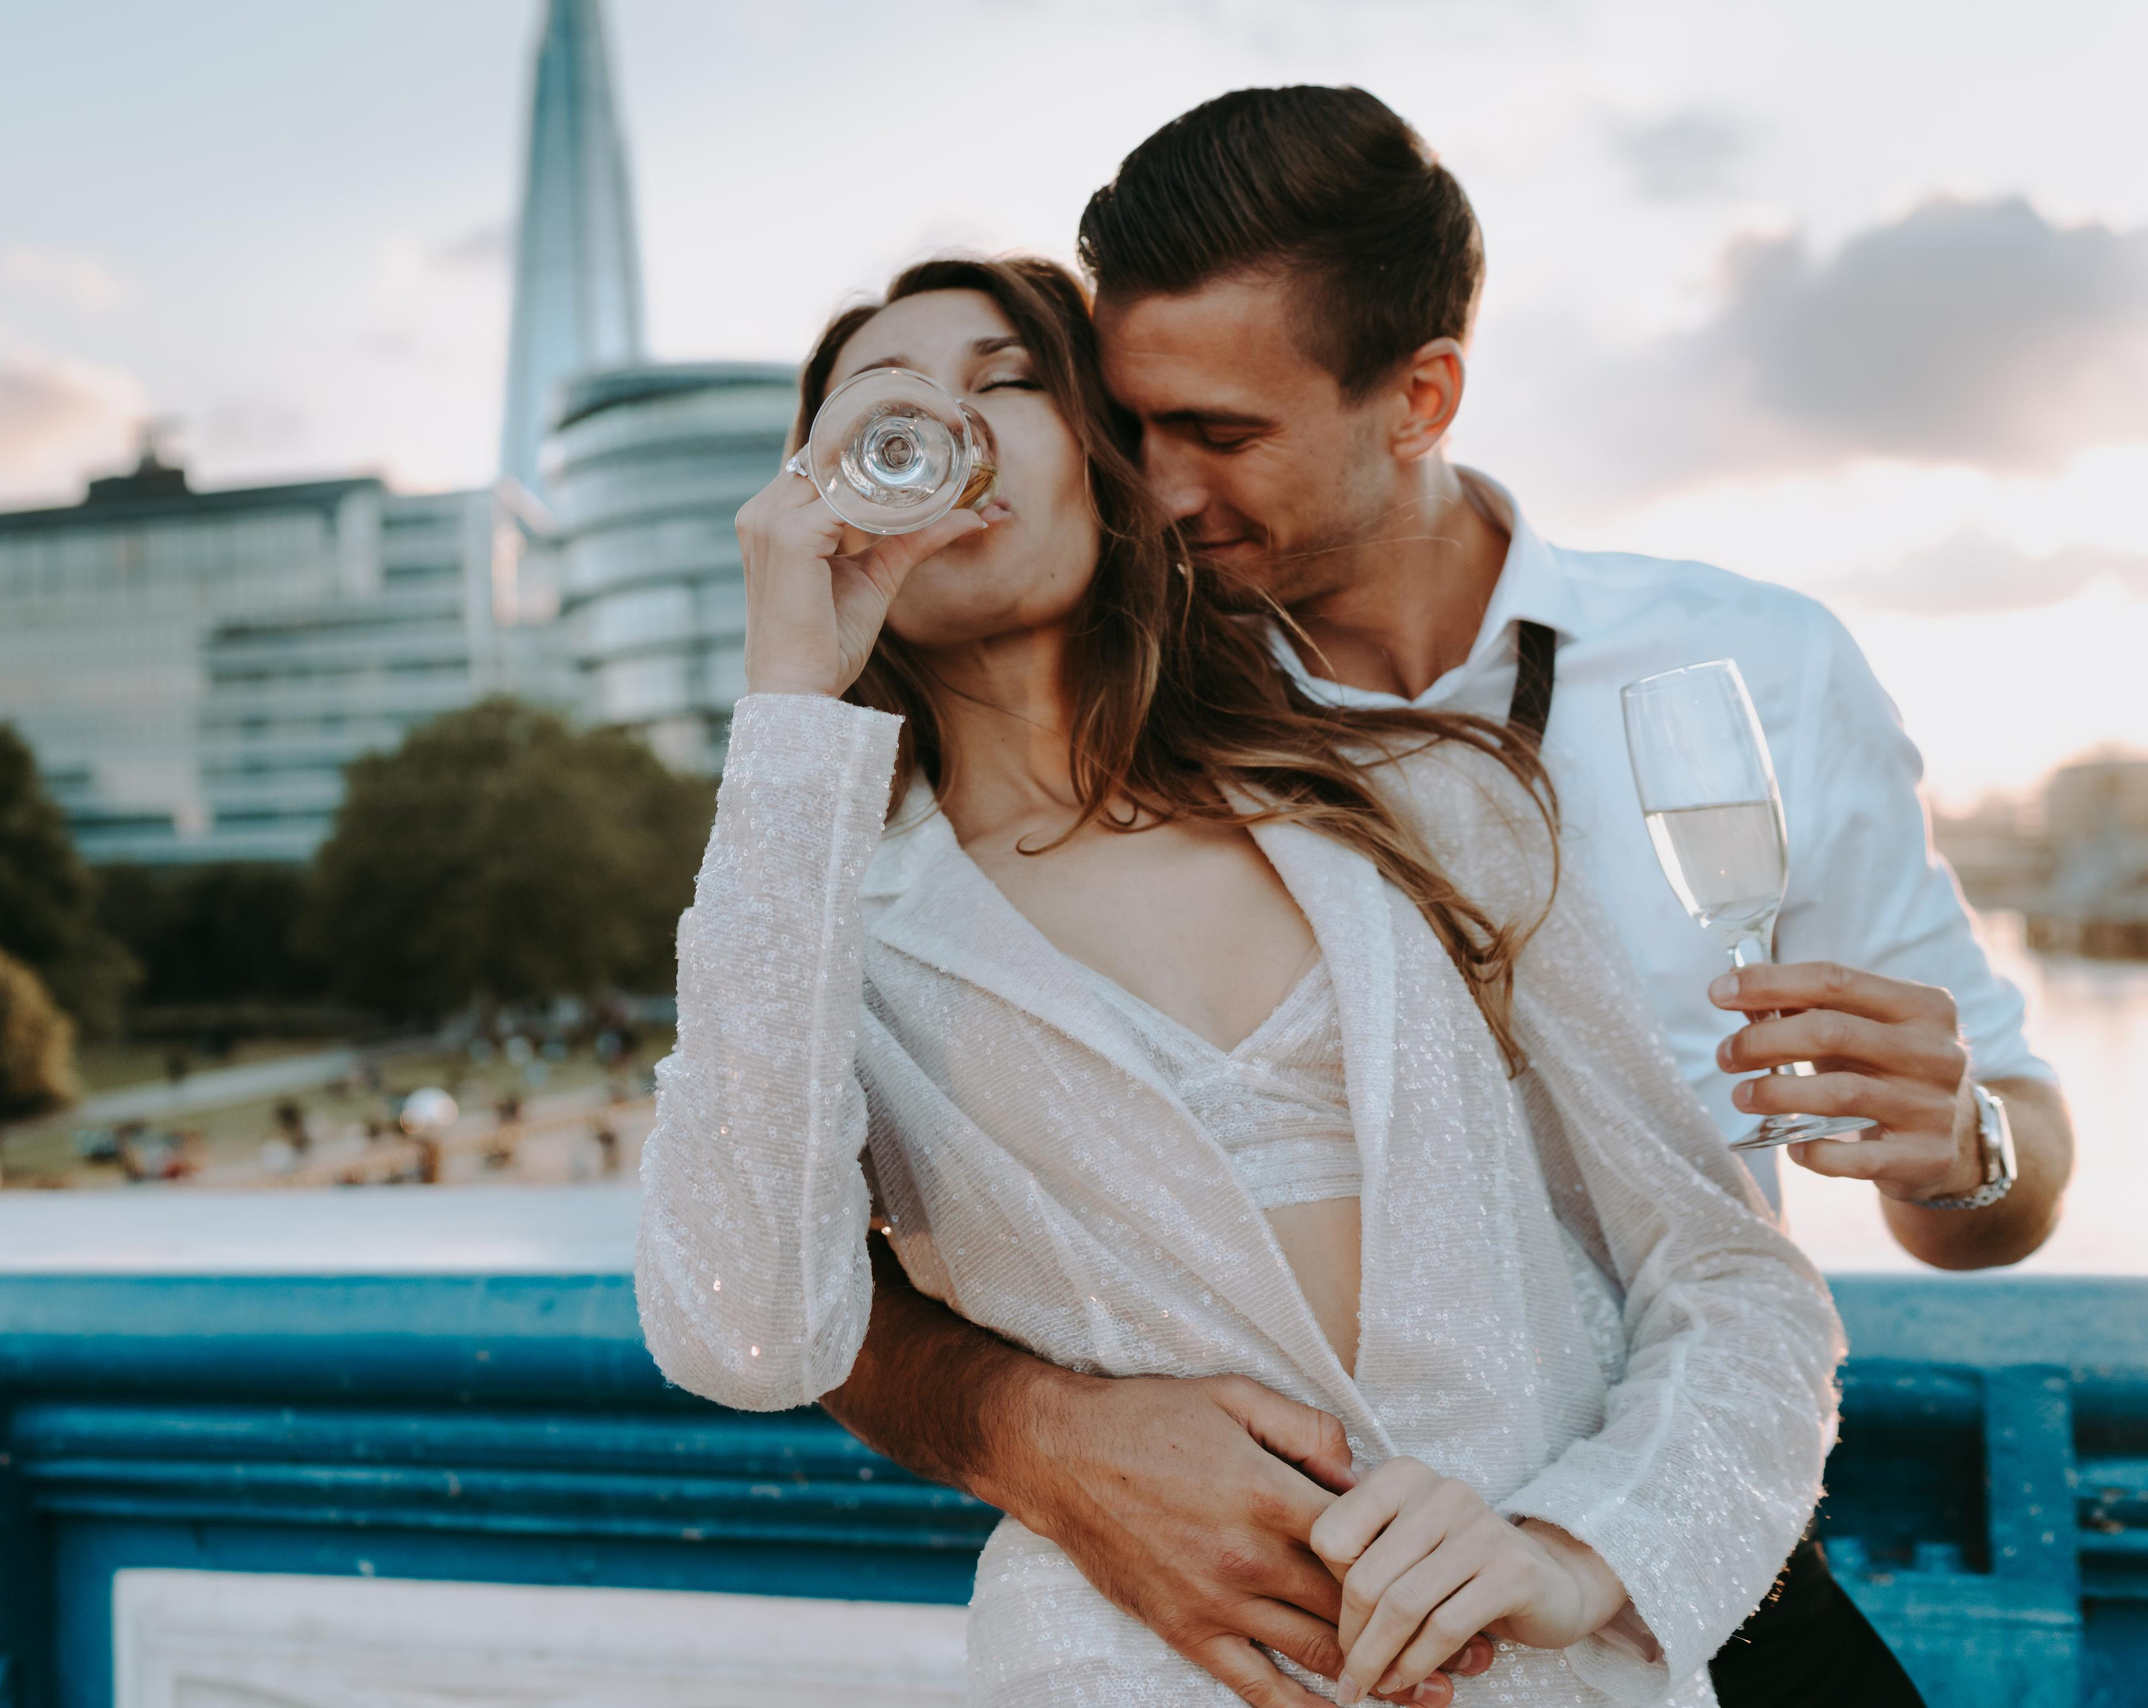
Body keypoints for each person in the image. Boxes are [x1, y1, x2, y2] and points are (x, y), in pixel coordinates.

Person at [815, 87, 2075, 1708]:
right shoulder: (1096, 745)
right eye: (1134, 426)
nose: (1161, 489)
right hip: (1288, 1610)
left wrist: (1963, 1143)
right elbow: (803, 1271)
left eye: (1223, 433)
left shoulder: (1758, 659)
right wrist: (1036, 1434)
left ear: (1421, 398)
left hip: (1692, 1531)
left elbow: (2007, 1182)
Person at [637, 255, 1842, 1705]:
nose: (942, 431)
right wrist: (788, 714)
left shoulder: (1430, 807)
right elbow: (748, 1332)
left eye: (1005, 382)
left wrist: (1575, 1548)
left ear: (1106, 460)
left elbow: (1726, 1272)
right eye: (880, 411)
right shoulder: (832, 916)